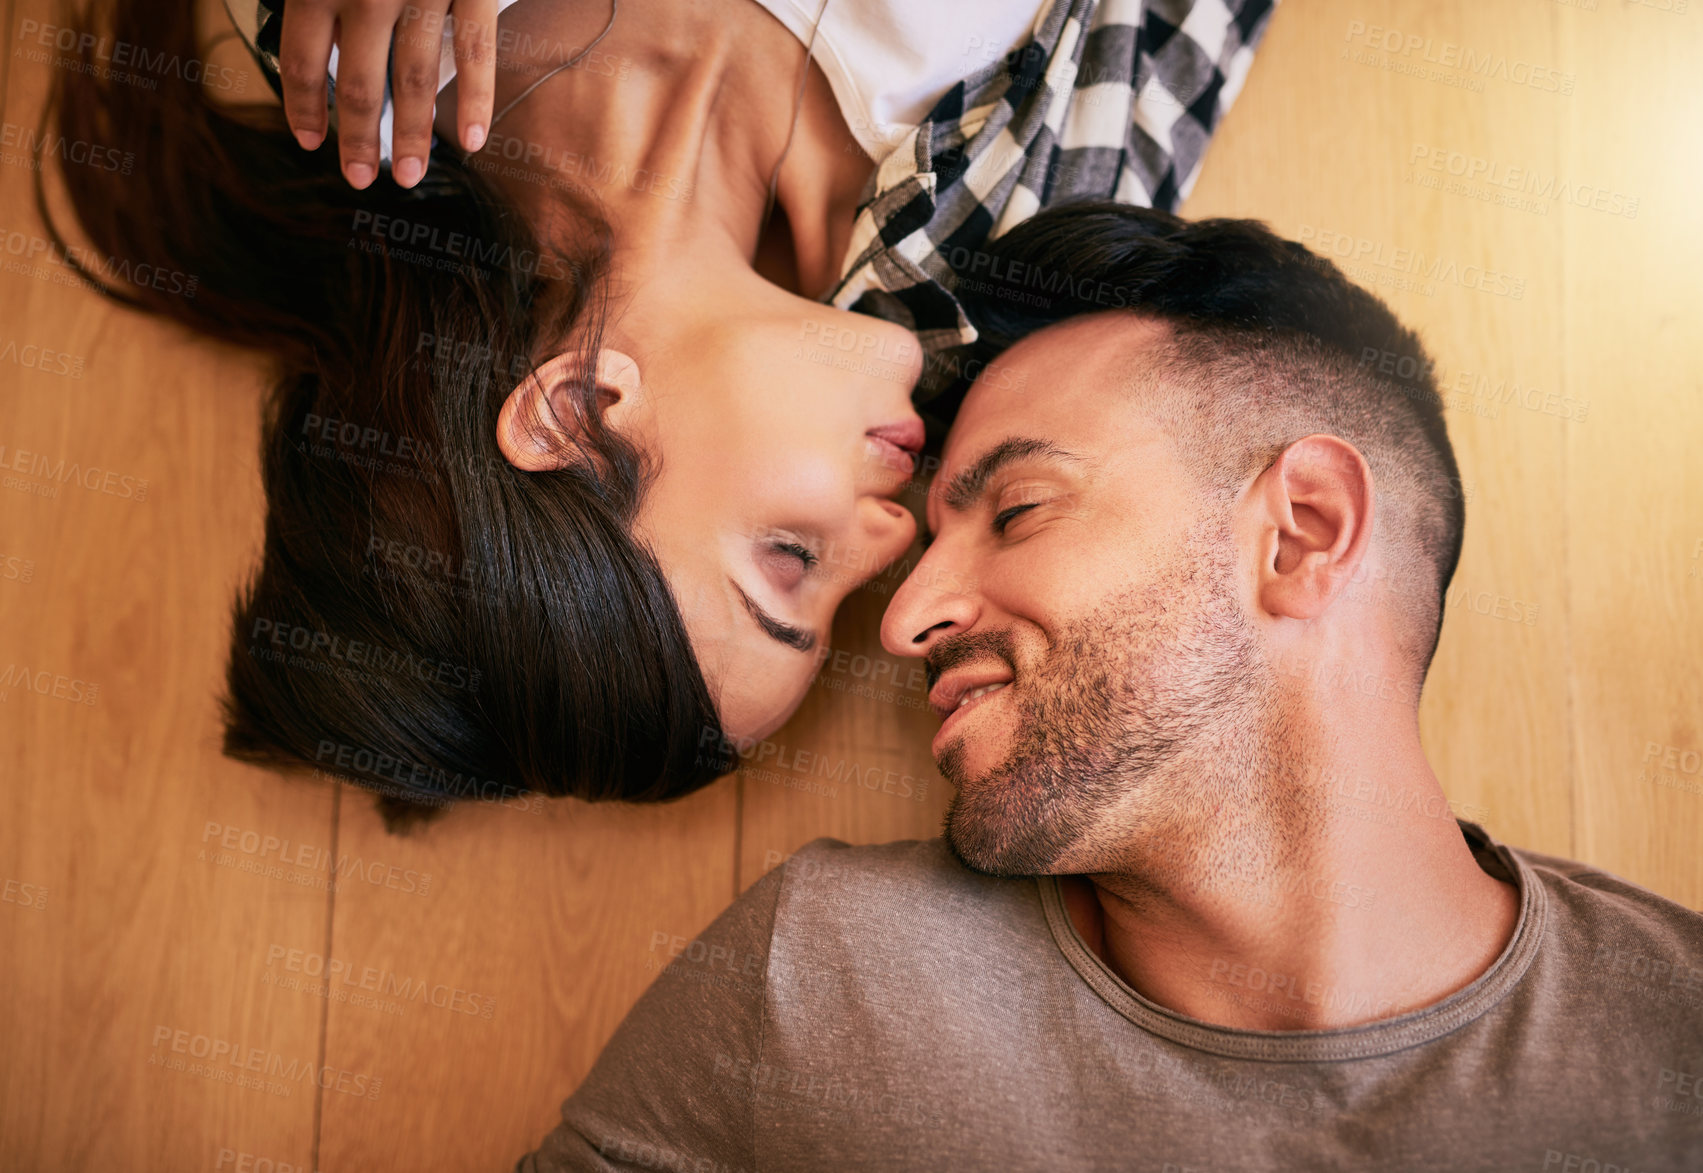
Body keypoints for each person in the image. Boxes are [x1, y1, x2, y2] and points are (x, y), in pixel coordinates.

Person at [513, 204, 1703, 1171]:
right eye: (924, 542)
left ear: (1299, 533)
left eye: (1018, 509)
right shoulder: (827, 979)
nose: (909, 619)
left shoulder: (1673, 1045)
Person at [44, 0, 1274, 813]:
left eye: (788, 562)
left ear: (576, 412)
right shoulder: (1011, 269)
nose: (895, 538)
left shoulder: (368, 44)